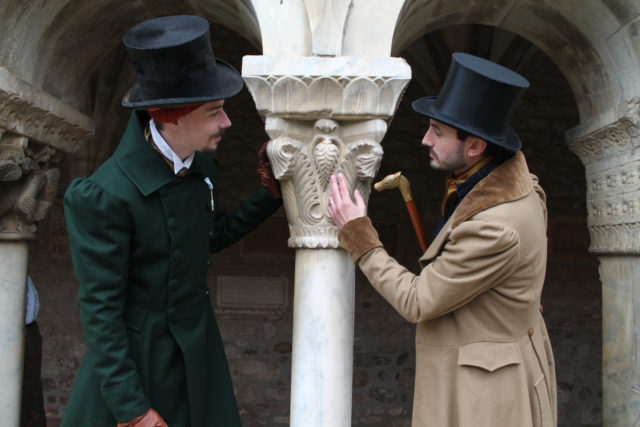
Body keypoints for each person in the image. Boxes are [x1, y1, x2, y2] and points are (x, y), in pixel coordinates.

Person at [62, 15, 282, 427]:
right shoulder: (105, 196)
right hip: (139, 366)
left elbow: (210, 236)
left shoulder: (201, 169)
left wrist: (269, 197)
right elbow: (101, 311)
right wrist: (132, 409)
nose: (227, 123)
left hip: (199, 352)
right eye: (215, 112)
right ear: (170, 117)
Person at [328, 53, 557, 427]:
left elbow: (417, 301)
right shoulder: (506, 185)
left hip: (483, 395)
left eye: (437, 131)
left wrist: (358, 233)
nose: (424, 139)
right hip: (491, 368)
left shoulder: (494, 227)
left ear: (475, 147)